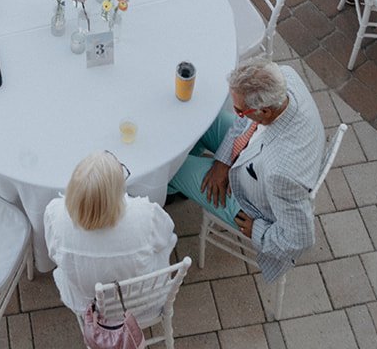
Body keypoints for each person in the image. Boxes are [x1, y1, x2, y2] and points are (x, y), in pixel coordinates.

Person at [167, 58, 324, 284]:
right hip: (250, 154)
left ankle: (173, 187)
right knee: (199, 118)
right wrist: (222, 161)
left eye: (239, 110)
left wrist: (258, 231)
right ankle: (182, 183)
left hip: (249, 200)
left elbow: (300, 239)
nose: (235, 112)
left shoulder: (282, 174)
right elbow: (247, 123)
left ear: (266, 112)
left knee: (176, 166)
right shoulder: (284, 78)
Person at [44, 151, 175, 315]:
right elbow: (167, 233)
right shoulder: (146, 214)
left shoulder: (55, 214)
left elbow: (53, 254)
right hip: (142, 303)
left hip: (86, 302)